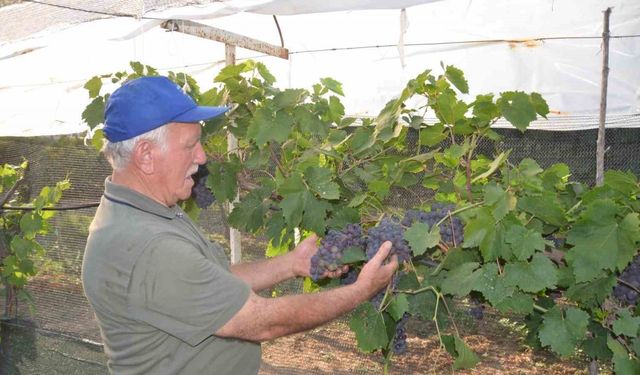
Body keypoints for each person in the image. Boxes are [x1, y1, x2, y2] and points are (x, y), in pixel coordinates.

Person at [81, 75, 398, 375]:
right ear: (146, 155)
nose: (203, 157)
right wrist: (359, 292)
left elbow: (211, 281)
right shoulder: (147, 245)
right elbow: (261, 321)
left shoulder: (147, 212)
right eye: (191, 145)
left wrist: (291, 264)